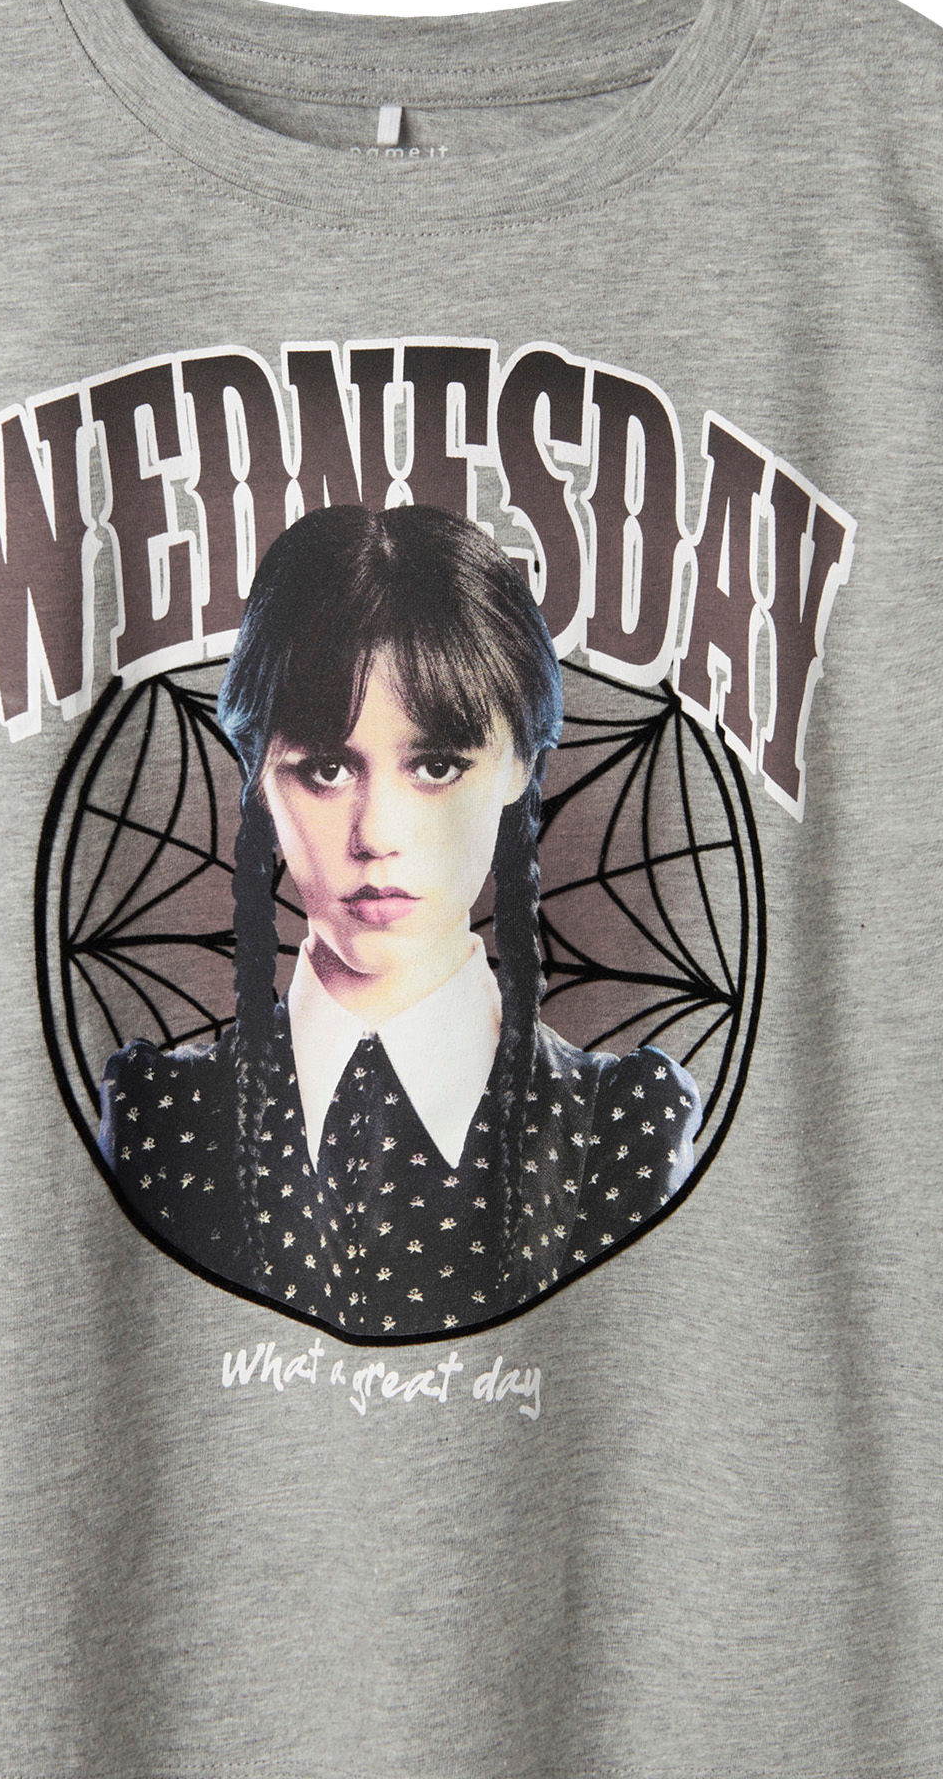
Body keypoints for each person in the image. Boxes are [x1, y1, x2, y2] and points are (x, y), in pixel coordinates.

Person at [94, 503, 701, 1339]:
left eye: (437, 765)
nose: (377, 834)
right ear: (256, 772)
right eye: (326, 769)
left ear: (520, 764)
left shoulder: (622, 1127)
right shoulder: (159, 1118)